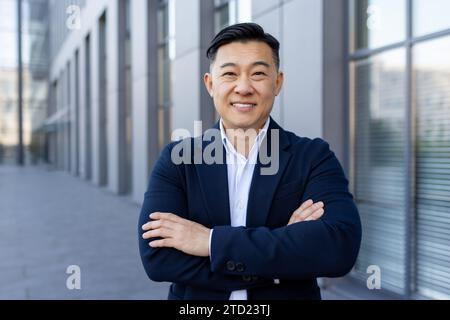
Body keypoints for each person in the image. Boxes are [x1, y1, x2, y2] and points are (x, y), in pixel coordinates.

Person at [138, 23, 361, 300]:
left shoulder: (313, 157)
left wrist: (208, 242)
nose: (243, 87)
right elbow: (158, 259)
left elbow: (338, 249)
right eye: (230, 73)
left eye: (258, 74)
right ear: (210, 84)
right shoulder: (178, 160)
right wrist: (283, 255)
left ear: (277, 83)